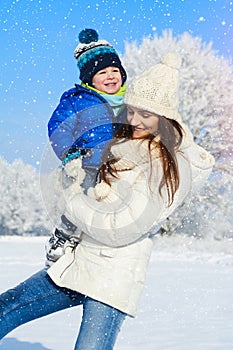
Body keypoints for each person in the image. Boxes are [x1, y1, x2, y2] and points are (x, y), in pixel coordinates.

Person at [0, 52, 215, 350]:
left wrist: (73, 196)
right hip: (80, 262)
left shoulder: (164, 165)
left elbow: (120, 227)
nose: (135, 120)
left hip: (111, 278)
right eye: (132, 111)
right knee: (5, 308)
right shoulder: (121, 145)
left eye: (146, 114)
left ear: (164, 118)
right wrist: (73, 174)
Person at [45, 28, 127, 264]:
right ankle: (63, 236)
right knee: (81, 201)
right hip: (86, 164)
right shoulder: (77, 99)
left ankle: (107, 245)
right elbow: (59, 128)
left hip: (116, 166)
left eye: (115, 70)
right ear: (90, 78)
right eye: (102, 72)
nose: (111, 76)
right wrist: (70, 154)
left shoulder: (128, 102)